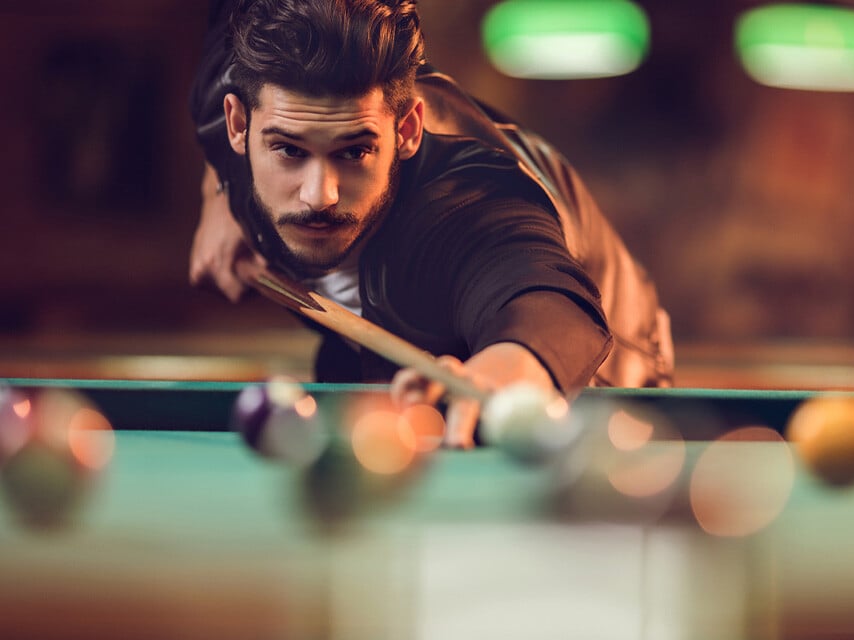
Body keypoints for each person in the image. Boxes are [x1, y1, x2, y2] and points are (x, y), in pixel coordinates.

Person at [188, 0, 673, 447]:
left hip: (601, 403)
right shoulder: (222, 98)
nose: (320, 196)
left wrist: (510, 365)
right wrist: (220, 190)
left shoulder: (466, 202)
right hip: (380, 351)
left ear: (407, 130)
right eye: (290, 150)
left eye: (354, 151)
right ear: (237, 125)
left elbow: (545, 297)